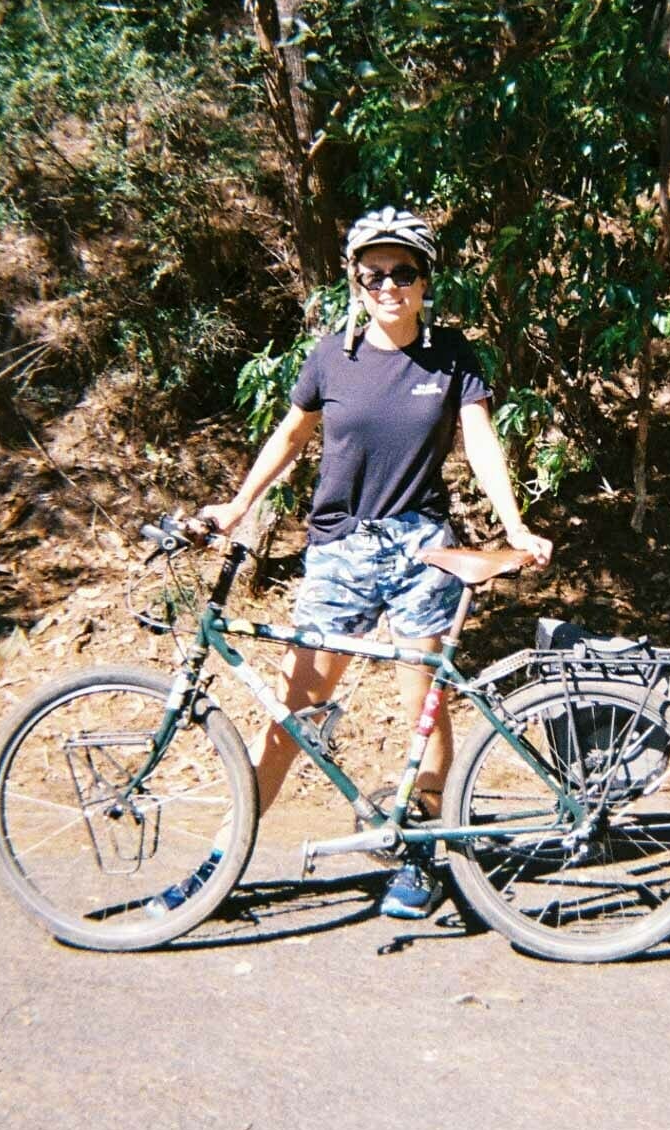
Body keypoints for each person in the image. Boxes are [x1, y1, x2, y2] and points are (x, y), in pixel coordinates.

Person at [171, 206, 552, 921]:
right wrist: (235, 506)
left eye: (403, 272)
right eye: (373, 273)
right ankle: (222, 866)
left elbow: (482, 444)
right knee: (289, 716)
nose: (388, 285)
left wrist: (514, 526)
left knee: (421, 710)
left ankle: (420, 856)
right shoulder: (329, 356)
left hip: (421, 548)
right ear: (355, 280)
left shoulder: (453, 357)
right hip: (338, 550)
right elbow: (288, 439)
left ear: (425, 281)